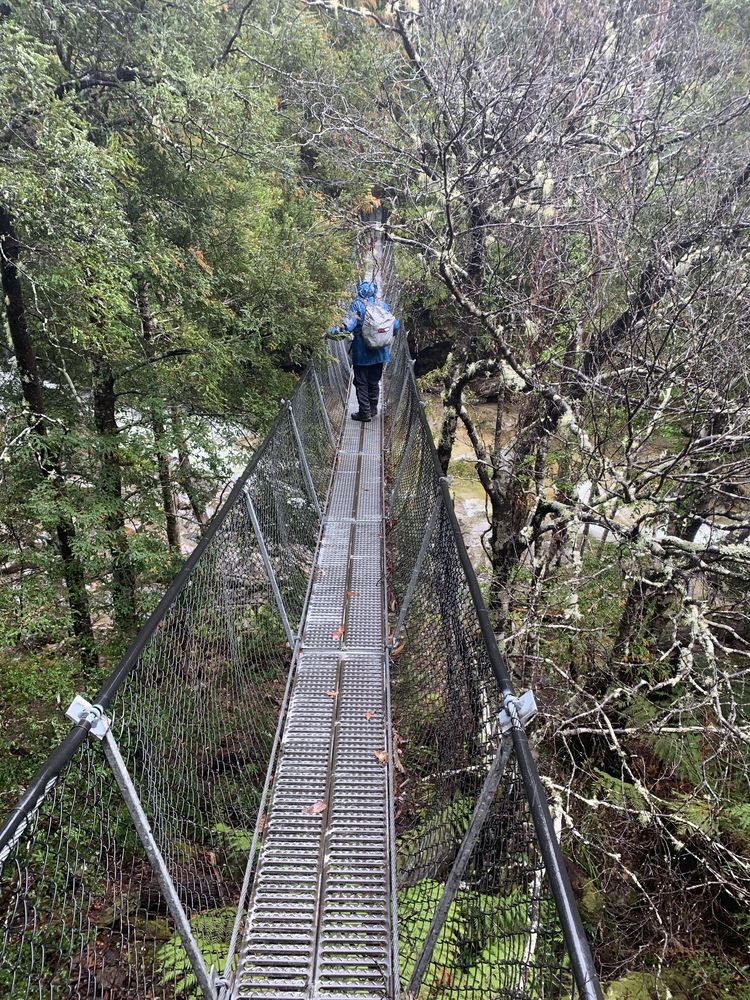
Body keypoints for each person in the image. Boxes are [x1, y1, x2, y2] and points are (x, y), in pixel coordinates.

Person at [339, 279, 400, 423]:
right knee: (374, 381)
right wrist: (383, 338)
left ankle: (364, 413)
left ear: (359, 290)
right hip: (380, 352)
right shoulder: (382, 305)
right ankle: (373, 409)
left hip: (362, 352)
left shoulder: (357, 305)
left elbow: (347, 326)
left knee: (361, 382)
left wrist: (332, 332)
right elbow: (395, 325)